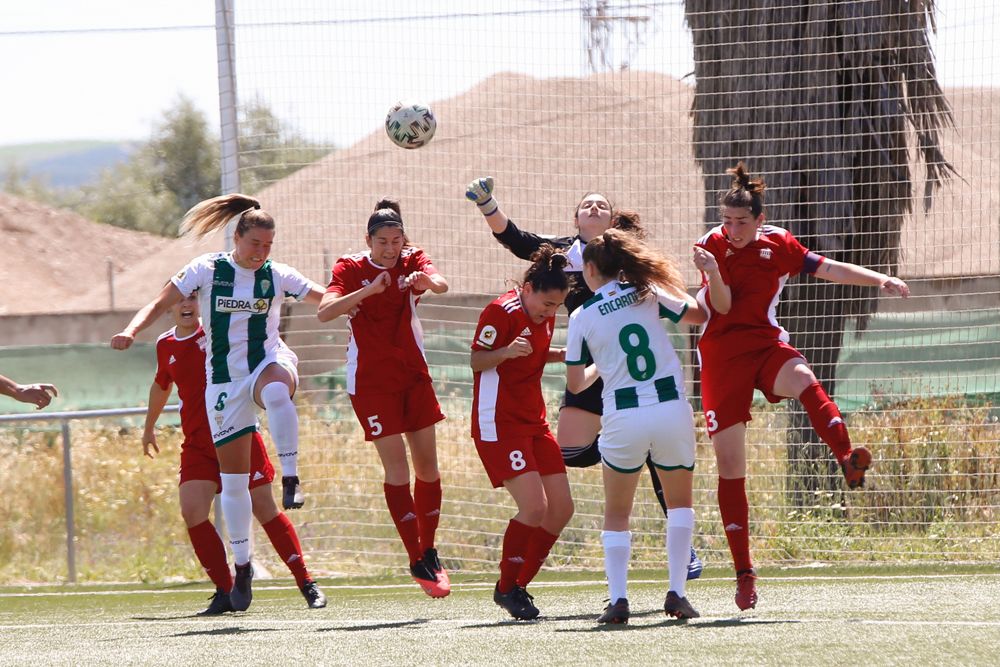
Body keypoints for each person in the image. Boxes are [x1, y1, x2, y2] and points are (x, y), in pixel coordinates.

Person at [692, 162, 911, 611]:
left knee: (806, 379)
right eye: (727, 220)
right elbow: (722, 304)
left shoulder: (780, 243)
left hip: (764, 344)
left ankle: (847, 458)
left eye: (742, 222)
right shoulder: (711, 246)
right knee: (731, 469)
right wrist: (713, 271)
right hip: (721, 359)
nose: (732, 229)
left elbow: (829, 267)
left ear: (759, 219)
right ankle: (745, 574)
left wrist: (880, 278)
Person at [466, 177, 703, 579]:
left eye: (601, 205)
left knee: (652, 455)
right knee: (570, 453)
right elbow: (516, 238)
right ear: (575, 218)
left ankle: (684, 548)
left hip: (629, 375)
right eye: (586, 205)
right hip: (589, 369)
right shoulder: (562, 255)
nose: (593, 208)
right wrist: (489, 204)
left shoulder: (629, 268)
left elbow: (681, 306)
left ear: (612, 220)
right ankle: (629, 451)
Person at [111, 193, 326, 612]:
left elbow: (322, 298)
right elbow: (160, 376)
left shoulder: (272, 278)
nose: (261, 253)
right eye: (254, 245)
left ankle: (304, 569)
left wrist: (365, 296)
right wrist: (132, 333)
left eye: (268, 246)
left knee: (277, 400)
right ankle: (231, 583)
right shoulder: (174, 333)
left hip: (256, 382)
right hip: (206, 423)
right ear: (237, 238)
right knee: (196, 509)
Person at [143, 290, 326, 614]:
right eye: (180, 300)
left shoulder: (219, 333)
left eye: (193, 299)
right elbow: (162, 385)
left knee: (264, 508)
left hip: (237, 434)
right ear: (169, 306)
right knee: (192, 511)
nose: (186, 305)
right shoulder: (165, 345)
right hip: (199, 443)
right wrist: (148, 426)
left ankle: (306, 583)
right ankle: (227, 590)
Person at [566, 229, 706, 624]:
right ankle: (677, 594)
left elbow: (576, 384)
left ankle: (618, 600)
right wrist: (657, 282)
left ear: (591, 269)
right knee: (680, 505)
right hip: (670, 409)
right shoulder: (647, 293)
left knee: (617, 514)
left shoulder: (582, 315)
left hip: (623, 415)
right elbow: (698, 313)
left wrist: (603, 364)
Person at [317, 198, 451, 598]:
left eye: (396, 240)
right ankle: (416, 559)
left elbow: (442, 283)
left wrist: (427, 282)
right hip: (372, 384)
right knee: (398, 471)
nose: (389, 249)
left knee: (428, 467)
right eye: (382, 241)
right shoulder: (351, 268)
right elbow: (325, 312)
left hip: (413, 376)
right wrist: (367, 292)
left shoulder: (412, 261)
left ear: (404, 239)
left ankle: (429, 549)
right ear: (368, 240)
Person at [471, 246, 575, 621]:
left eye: (556, 307)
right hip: (499, 423)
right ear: (528, 288)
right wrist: (503, 351)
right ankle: (506, 587)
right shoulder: (502, 311)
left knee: (562, 508)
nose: (550, 312)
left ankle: (516, 586)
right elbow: (476, 359)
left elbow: (531, 352)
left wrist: (557, 353)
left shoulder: (542, 314)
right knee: (534, 507)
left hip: (533, 421)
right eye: (546, 304)